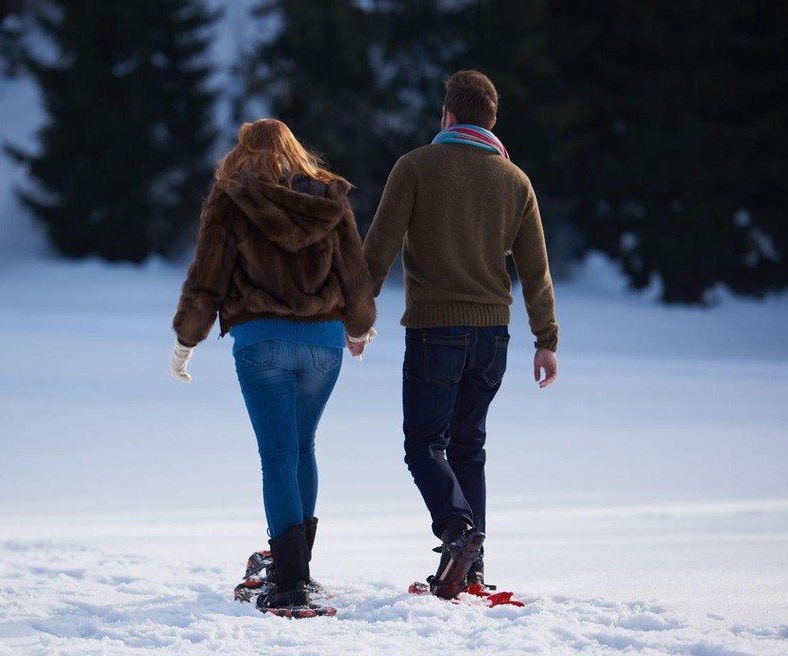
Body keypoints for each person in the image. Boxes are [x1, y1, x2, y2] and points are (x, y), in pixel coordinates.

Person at [362, 70, 559, 599]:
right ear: (492, 120)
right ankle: (470, 570)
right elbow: (536, 269)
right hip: (495, 335)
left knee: (424, 444)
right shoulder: (515, 181)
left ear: (447, 115)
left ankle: (457, 533)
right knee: (468, 446)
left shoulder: (416, 166)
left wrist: (357, 317)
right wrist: (546, 339)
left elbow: (377, 250)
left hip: (435, 331)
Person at [170, 119, 376, 612]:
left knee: (279, 454)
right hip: (324, 345)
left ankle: (289, 584)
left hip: (261, 341)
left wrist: (186, 340)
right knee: (303, 447)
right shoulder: (330, 197)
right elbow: (355, 272)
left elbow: (207, 276)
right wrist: (359, 325)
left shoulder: (231, 198)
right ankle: (296, 570)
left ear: (243, 153)